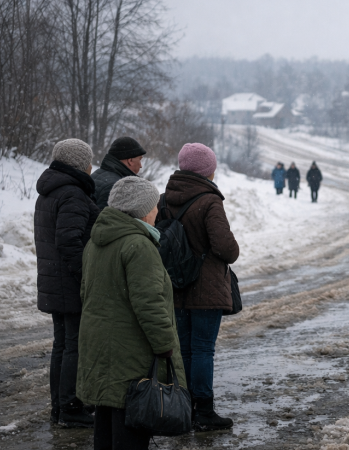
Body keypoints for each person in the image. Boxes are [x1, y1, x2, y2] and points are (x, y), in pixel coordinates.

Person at [78, 176, 187, 449]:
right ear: (140, 209)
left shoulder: (96, 243)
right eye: (154, 206)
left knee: (106, 426)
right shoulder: (138, 246)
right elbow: (149, 303)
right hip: (131, 354)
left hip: (100, 348)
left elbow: (86, 294)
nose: (158, 211)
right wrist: (165, 346)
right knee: (130, 432)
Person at [157, 143, 239, 431]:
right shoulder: (209, 201)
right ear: (207, 171)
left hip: (176, 285)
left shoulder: (164, 199)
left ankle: (186, 407)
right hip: (206, 289)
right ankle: (204, 410)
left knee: (184, 350)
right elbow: (226, 248)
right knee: (203, 349)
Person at [34, 138, 100, 428]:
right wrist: (86, 277)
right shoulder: (72, 193)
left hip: (54, 279)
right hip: (70, 283)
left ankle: (59, 407)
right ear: (79, 163)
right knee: (73, 345)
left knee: (63, 345)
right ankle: (71, 408)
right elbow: (70, 241)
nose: (91, 166)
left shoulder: (50, 190)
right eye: (88, 160)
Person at [91, 137, 146, 209]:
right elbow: (105, 219)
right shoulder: (116, 187)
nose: (141, 165)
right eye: (140, 159)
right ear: (130, 161)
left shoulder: (96, 174)